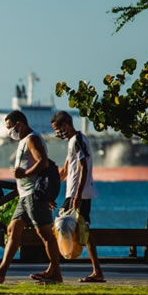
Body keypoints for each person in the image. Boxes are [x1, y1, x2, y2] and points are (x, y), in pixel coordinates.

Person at [0, 111, 62, 284]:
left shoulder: (32, 139)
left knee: (45, 233)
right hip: (24, 196)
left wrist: (24, 173)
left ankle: (56, 272)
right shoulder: (25, 140)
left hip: (33, 195)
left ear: (20, 124)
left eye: (10, 127)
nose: (9, 131)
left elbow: (43, 162)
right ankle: (1, 272)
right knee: (12, 230)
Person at [51, 111, 105, 283]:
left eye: (57, 128)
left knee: (59, 228)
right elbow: (65, 172)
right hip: (74, 193)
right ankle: (96, 271)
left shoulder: (78, 140)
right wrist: (48, 190)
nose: (57, 133)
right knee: (83, 232)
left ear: (65, 124)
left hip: (77, 194)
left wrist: (77, 195)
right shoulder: (72, 143)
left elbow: (84, 168)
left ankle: (54, 270)